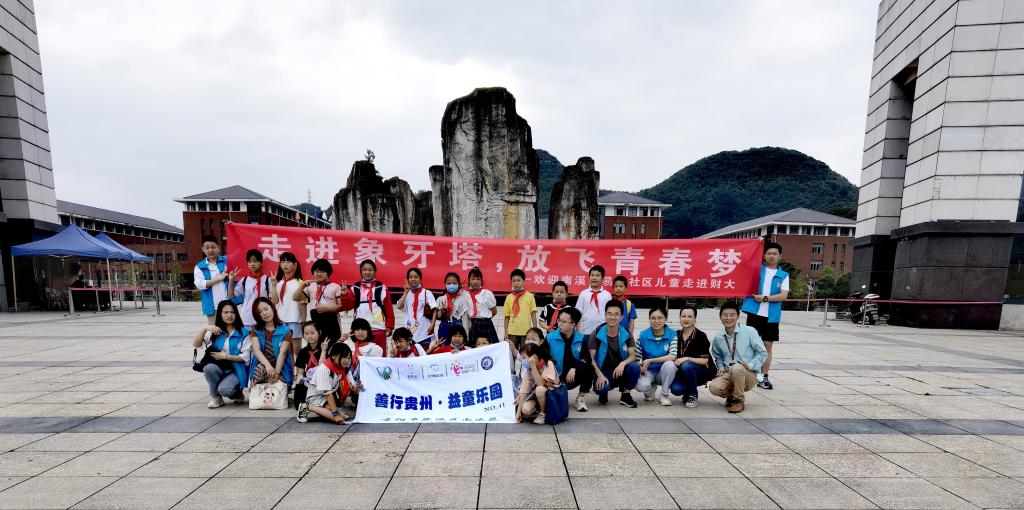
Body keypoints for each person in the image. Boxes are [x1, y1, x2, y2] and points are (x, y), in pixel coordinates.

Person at [741, 241, 789, 390]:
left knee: (767, 345)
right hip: (754, 313)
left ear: (780, 256)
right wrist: (756, 243)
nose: (772, 256)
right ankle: (748, 374)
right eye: (769, 253)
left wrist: (765, 298)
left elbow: (784, 295)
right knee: (751, 345)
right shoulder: (756, 270)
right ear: (764, 255)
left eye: (775, 253)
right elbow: (743, 263)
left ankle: (764, 376)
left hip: (772, 315)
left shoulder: (783, 275)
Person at [709, 302, 768, 413]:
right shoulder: (718, 337)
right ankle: (732, 395)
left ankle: (738, 400)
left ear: (737, 316)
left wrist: (750, 365)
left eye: (732, 315)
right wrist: (720, 368)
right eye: (725, 315)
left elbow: (762, 352)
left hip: (749, 373)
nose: (728, 318)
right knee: (714, 388)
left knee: (737, 368)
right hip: (729, 372)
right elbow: (718, 356)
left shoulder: (749, 331)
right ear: (720, 317)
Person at [192, 300, 251, 408]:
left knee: (225, 390)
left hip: (236, 369)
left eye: (232, 312)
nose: (229, 315)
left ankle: (236, 392)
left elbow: (246, 357)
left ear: (236, 314)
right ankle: (215, 397)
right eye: (226, 312)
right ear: (220, 314)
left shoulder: (244, 332)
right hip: (218, 367)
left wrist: (226, 357)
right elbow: (196, 344)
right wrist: (205, 328)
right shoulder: (215, 331)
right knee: (208, 368)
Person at [587, 300, 640, 408]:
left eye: (616, 314)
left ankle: (625, 395)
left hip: (621, 371)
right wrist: (600, 375)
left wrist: (622, 364)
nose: (612, 317)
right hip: (603, 371)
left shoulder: (627, 333)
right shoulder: (596, 333)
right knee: (602, 389)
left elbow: (632, 355)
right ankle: (604, 391)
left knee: (634, 367)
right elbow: (590, 358)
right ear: (605, 315)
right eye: (609, 314)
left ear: (621, 317)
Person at [338, 260, 395, 354]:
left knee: (380, 356)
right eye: (364, 270)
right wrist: (344, 295)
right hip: (361, 331)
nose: (367, 272)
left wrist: (390, 326)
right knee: (361, 357)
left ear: (374, 271)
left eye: (370, 270)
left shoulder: (381, 287)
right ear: (361, 271)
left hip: (379, 328)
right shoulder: (355, 287)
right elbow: (347, 306)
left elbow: (388, 308)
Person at [545, 307, 594, 412]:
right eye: (559, 320)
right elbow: (544, 357)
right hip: (554, 376)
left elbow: (587, 358)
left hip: (572, 376)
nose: (559, 324)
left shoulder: (581, 339)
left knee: (589, 368)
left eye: (563, 321)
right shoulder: (550, 338)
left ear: (572, 324)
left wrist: (575, 368)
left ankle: (580, 398)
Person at [670, 306, 716, 408]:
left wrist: (687, 358)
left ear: (695, 319)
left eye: (690, 316)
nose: (686, 319)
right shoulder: (676, 335)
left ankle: (693, 395)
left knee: (686, 365)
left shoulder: (701, 336)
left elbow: (704, 361)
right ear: (680, 318)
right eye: (683, 316)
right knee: (676, 389)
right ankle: (688, 390)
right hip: (683, 372)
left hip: (702, 371)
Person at [297, 341, 352, 425]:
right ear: (333, 356)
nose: (347, 361)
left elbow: (352, 384)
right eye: (344, 357)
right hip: (315, 397)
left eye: (349, 358)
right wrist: (335, 414)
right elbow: (328, 394)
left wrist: (356, 388)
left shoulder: (343, 367)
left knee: (343, 416)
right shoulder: (324, 368)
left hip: (326, 398)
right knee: (338, 418)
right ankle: (306, 406)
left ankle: (324, 410)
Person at [634, 307, 678, 406]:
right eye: (653, 318)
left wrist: (650, 360)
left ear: (665, 319)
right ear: (649, 319)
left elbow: (672, 356)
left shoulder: (672, 334)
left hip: (663, 372)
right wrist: (640, 368)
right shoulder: (643, 335)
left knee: (670, 364)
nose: (656, 321)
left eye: (660, 318)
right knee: (641, 386)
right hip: (648, 371)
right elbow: (636, 357)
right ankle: (650, 388)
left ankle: (664, 395)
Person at [247, 298, 294, 387]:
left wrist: (276, 373)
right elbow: (257, 350)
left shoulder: (285, 331)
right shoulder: (255, 331)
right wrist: (268, 366)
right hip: (264, 366)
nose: (264, 313)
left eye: (266, 309)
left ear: (272, 308)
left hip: (281, 369)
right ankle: (258, 391)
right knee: (260, 369)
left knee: (279, 386)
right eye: (260, 312)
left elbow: (282, 353)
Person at [193, 235, 239, 324]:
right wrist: (219, 278)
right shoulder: (199, 266)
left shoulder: (228, 261)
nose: (210, 250)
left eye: (213, 247)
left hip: (229, 305)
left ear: (218, 248)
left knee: (232, 330)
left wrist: (235, 233)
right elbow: (200, 284)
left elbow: (239, 251)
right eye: (207, 248)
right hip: (212, 308)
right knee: (214, 330)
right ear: (203, 249)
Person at [295, 259, 342, 342]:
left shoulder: (336, 287)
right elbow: (296, 298)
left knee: (332, 344)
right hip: (315, 320)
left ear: (328, 273)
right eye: (316, 271)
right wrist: (302, 286)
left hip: (331, 320)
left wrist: (326, 308)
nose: (319, 274)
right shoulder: (310, 286)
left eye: (322, 271)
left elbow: (340, 306)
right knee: (316, 345)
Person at [270, 252, 305, 362]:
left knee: (297, 349)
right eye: (283, 262)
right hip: (281, 320)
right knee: (286, 350)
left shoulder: (300, 282)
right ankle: (291, 371)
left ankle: (300, 370)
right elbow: (274, 301)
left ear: (295, 265)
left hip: (295, 319)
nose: (285, 264)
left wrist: (304, 321)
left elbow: (303, 303)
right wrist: (273, 285)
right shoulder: (278, 282)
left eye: (288, 262)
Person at [515, 342, 559, 424]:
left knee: (540, 389)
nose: (523, 361)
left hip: (551, 396)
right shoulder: (529, 370)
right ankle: (539, 408)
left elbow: (540, 384)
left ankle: (542, 414)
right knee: (525, 410)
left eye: (524, 358)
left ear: (534, 357)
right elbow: (523, 391)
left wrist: (533, 366)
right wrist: (518, 413)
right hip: (536, 397)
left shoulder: (548, 363)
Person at [395, 268, 436, 351]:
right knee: (411, 355)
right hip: (410, 331)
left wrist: (432, 324)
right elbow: (399, 306)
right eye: (410, 277)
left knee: (424, 354)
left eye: (416, 277)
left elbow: (434, 309)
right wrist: (405, 292)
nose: (413, 279)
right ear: (407, 280)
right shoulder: (407, 294)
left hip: (424, 330)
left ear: (420, 279)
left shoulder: (426, 292)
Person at [234, 249, 273, 328]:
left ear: (261, 263)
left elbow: (273, 301)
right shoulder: (244, 280)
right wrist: (231, 280)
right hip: (247, 318)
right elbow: (231, 295)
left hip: (263, 318)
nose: (252, 264)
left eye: (255, 261)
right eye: (250, 262)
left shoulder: (268, 280)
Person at [346, 318, 382, 404]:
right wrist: (341, 340)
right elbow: (333, 358)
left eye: (363, 329)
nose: (360, 332)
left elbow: (375, 370)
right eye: (357, 329)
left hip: (366, 381)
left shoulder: (375, 348)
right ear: (353, 331)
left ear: (368, 331)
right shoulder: (347, 345)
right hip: (349, 380)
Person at [503, 268, 538, 349]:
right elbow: (507, 316)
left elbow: (533, 314)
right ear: (511, 282)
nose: (516, 283)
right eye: (514, 281)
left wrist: (535, 330)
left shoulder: (530, 296)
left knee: (525, 353)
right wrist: (506, 332)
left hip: (526, 332)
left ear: (524, 281)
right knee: (511, 353)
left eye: (518, 280)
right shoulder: (508, 297)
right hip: (512, 332)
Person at [432, 272, 471, 344]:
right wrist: (441, 313)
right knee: (444, 346)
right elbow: (437, 318)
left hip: (458, 326)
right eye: (449, 283)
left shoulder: (463, 298)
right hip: (444, 326)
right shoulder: (441, 299)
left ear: (458, 284)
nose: (451, 285)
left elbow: (465, 318)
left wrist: (466, 335)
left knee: (457, 347)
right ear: (445, 284)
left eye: (454, 283)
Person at [293, 321, 324, 409]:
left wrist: (324, 351)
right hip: (309, 379)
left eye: (312, 333)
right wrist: (299, 380)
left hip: (322, 378)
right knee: (298, 401)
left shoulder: (324, 348)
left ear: (319, 333)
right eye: (306, 333)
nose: (309, 336)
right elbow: (301, 371)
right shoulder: (302, 352)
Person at [575, 265, 612, 336]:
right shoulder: (583, 294)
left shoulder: (607, 295)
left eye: (597, 275)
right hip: (585, 331)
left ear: (603, 278)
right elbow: (578, 313)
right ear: (589, 277)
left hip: (602, 332)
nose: (594, 278)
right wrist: (577, 332)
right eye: (592, 275)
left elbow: (609, 314)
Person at [466, 267, 499, 344]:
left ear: (481, 281)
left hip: (485, 323)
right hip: (471, 324)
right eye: (473, 279)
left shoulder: (487, 293)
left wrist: (484, 318)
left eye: (478, 279)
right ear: (469, 281)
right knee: (473, 346)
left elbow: (494, 311)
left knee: (489, 345)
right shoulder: (465, 294)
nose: (475, 281)